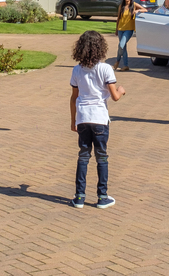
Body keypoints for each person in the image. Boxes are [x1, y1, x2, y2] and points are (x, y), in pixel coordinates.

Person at [69, 30, 125, 209]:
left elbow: (74, 97)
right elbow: (115, 96)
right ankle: (102, 196)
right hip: (100, 118)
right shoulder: (105, 68)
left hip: (83, 118)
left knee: (83, 156)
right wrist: (121, 90)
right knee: (102, 157)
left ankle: (79, 196)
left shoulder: (77, 70)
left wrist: (73, 120)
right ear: (100, 48)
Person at [114, 0, 149, 72]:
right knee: (123, 47)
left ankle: (117, 61)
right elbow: (118, 18)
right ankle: (125, 65)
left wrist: (137, 10)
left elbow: (145, 10)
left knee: (121, 45)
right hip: (120, 29)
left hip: (129, 30)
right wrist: (116, 29)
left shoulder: (134, 5)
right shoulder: (121, 6)